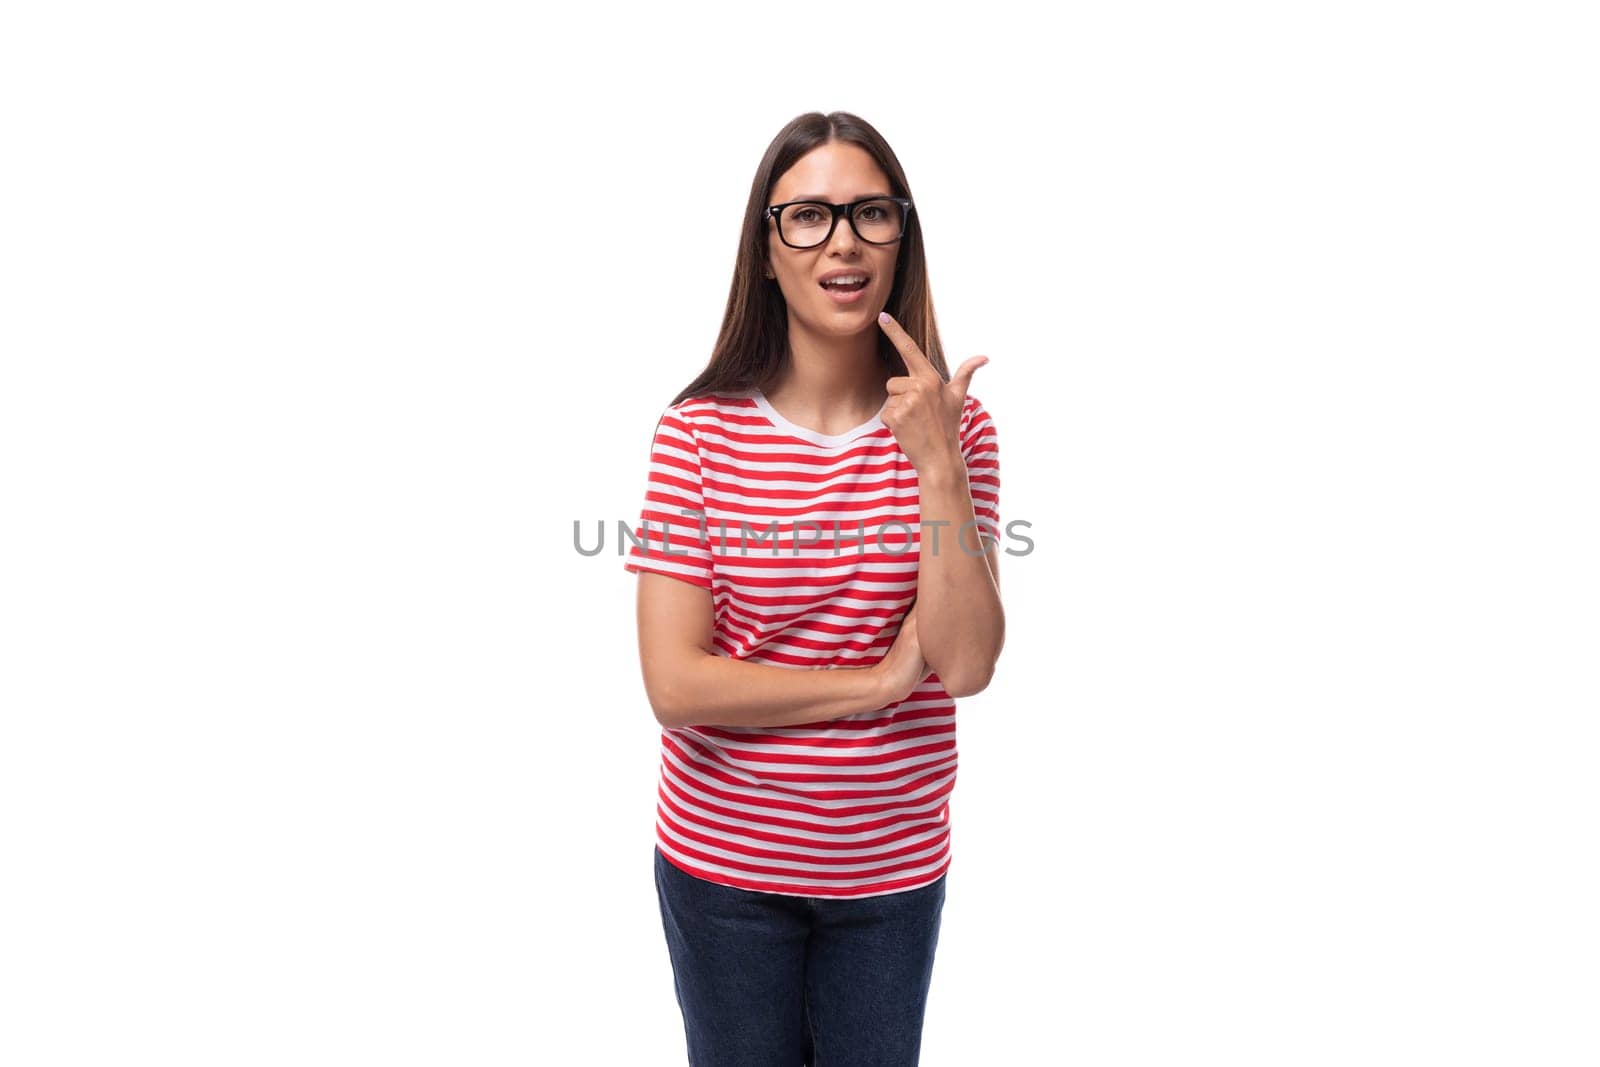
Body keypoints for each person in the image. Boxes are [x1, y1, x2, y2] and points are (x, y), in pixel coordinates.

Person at [623, 110, 1004, 1066]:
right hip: (723, 871)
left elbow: (962, 664)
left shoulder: (959, 431)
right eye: (809, 216)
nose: (843, 239)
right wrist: (874, 686)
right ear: (766, 249)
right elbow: (676, 685)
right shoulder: (698, 434)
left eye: (872, 213)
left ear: (901, 239)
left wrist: (937, 467)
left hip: (890, 872)